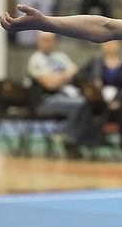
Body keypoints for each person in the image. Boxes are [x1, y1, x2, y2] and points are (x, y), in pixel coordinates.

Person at [27, 31, 92, 159]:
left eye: (50, 40)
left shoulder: (61, 57)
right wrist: (66, 75)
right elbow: (50, 84)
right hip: (46, 100)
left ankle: (73, 138)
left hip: (68, 95)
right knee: (81, 104)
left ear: (55, 41)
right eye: (44, 40)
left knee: (91, 103)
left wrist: (59, 77)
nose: (47, 43)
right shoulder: (36, 59)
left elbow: (76, 73)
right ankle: (65, 134)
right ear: (38, 41)